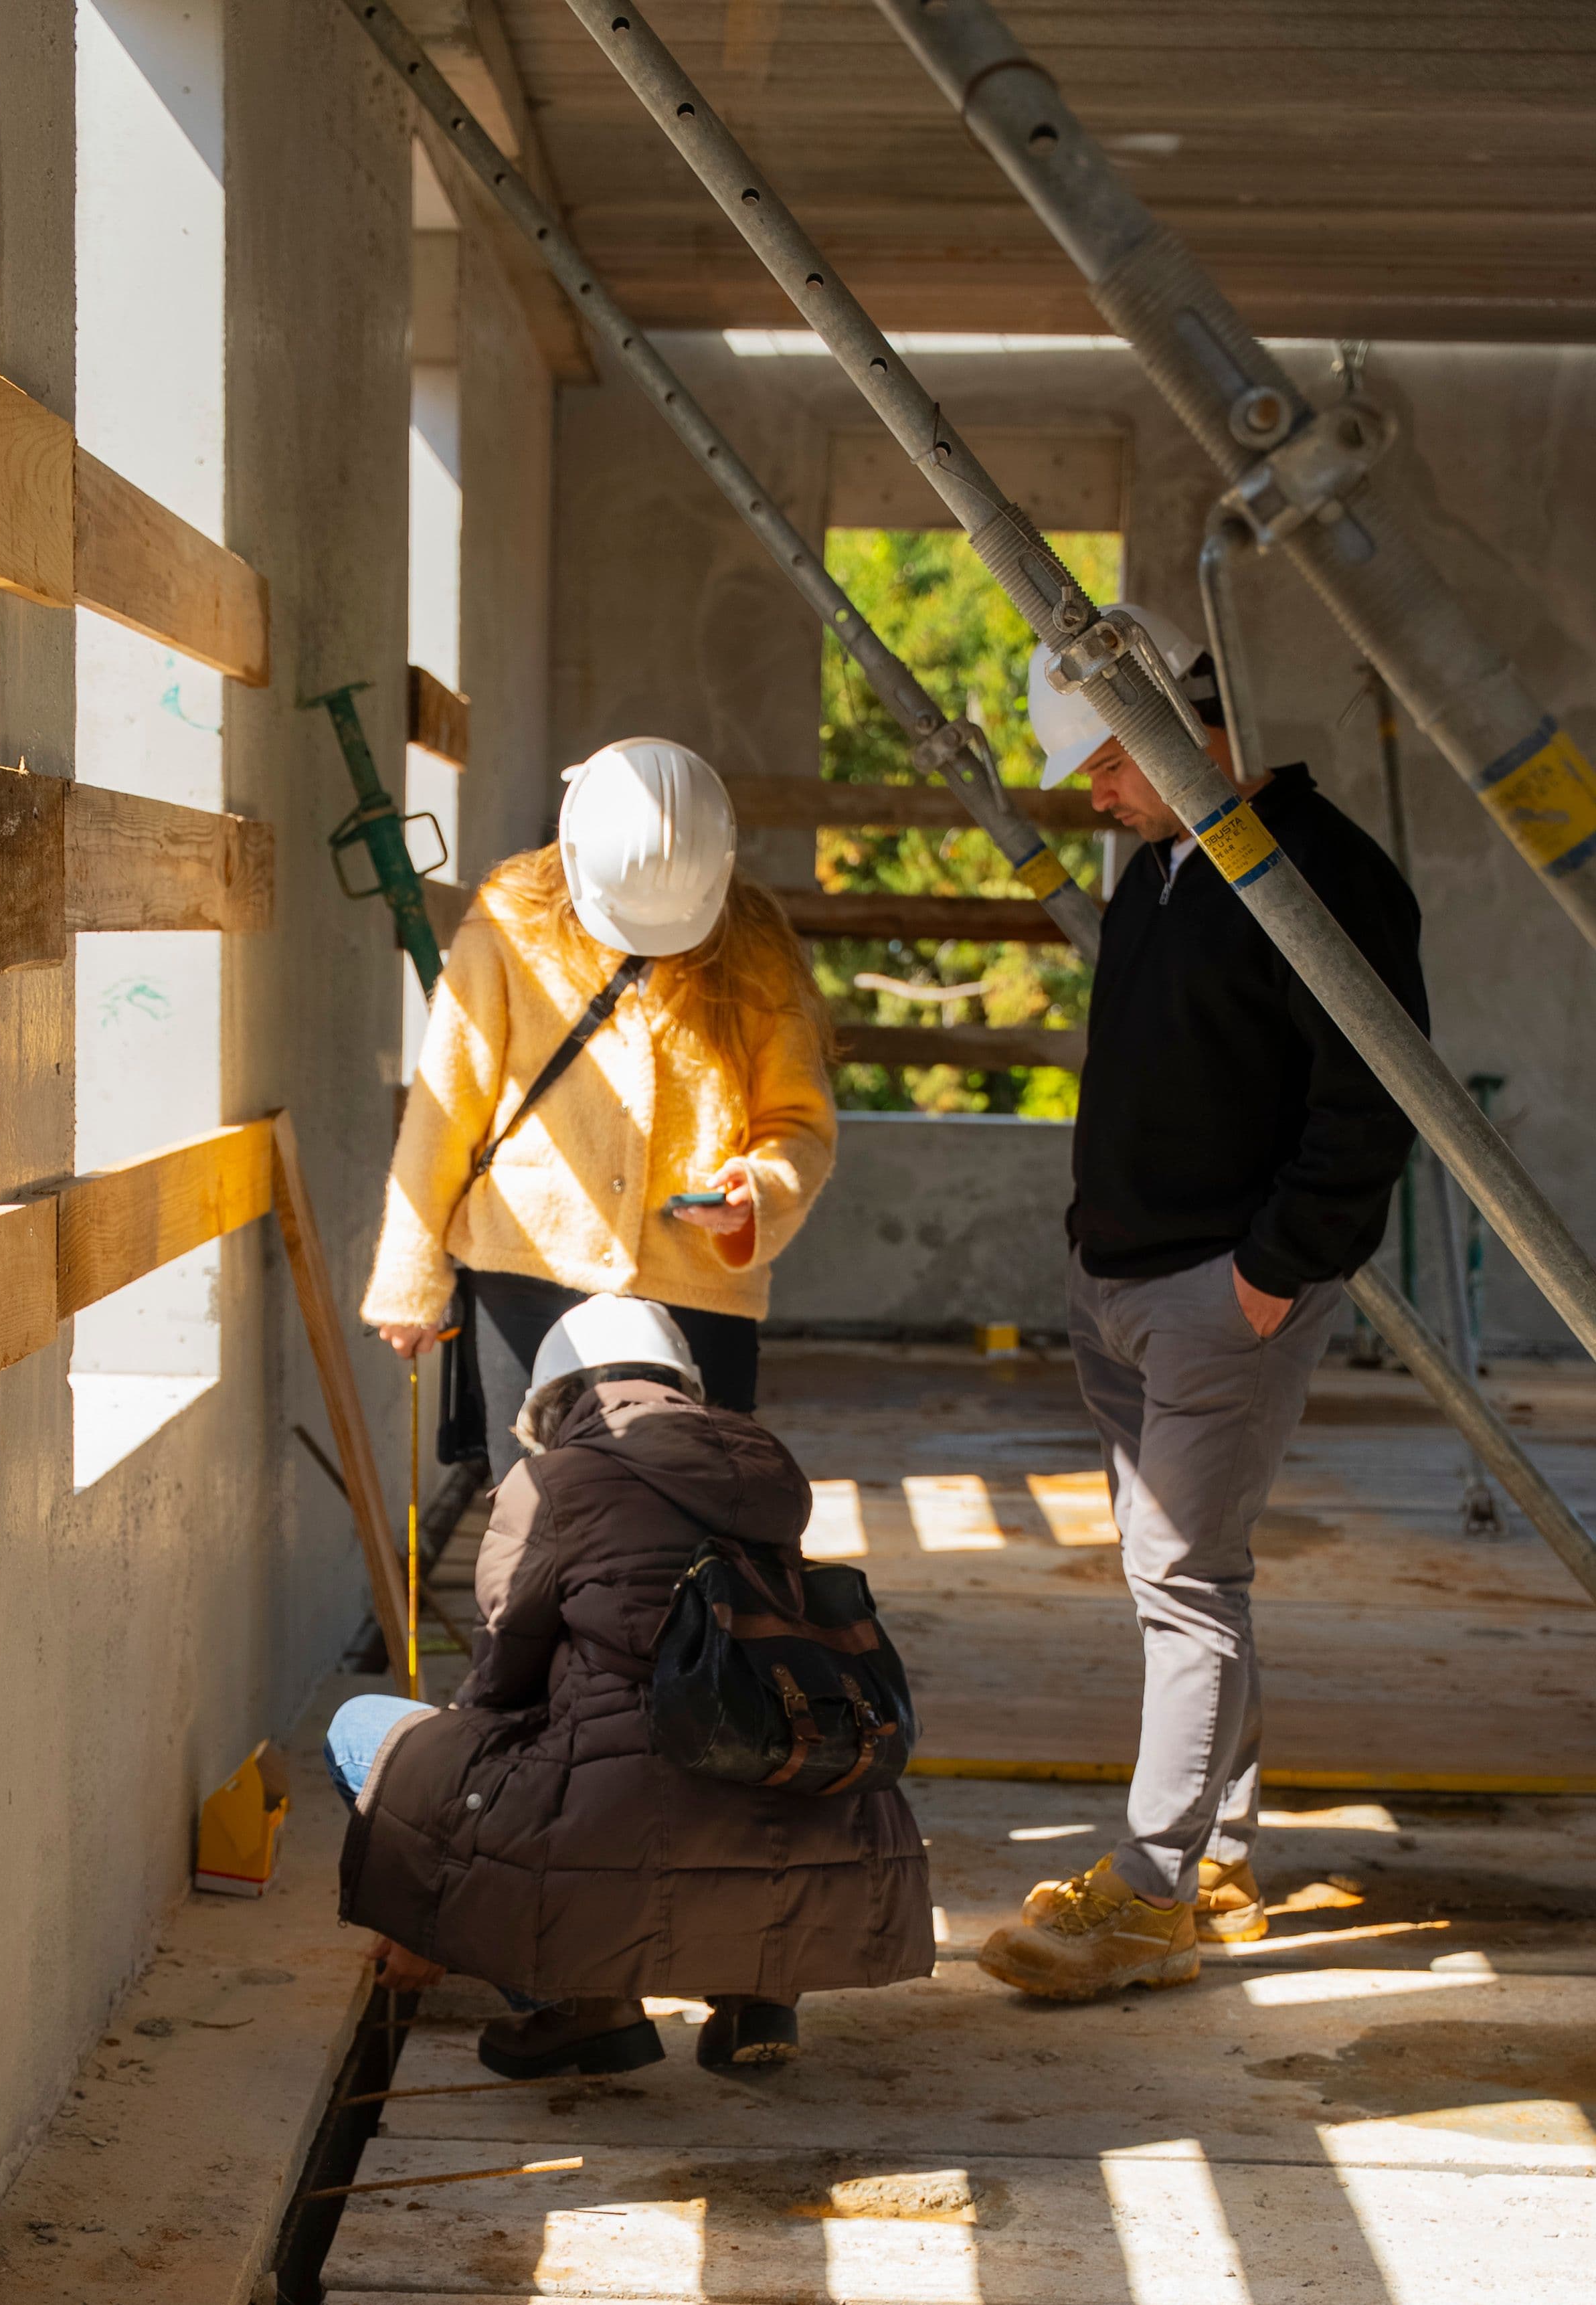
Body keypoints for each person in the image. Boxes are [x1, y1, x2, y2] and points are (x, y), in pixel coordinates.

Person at [977, 608, 1427, 2004]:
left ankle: (1156, 1887)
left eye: (1108, 759)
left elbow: (1373, 1100)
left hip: (1218, 1290)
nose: (1091, 792)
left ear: (1187, 725)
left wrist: (1275, 1268)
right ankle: (1217, 1859)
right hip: (1120, 1280)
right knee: (1186, 1582)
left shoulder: (1325, 875)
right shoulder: (1167, 867)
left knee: (1183, 1581)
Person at [326, 1296, 934, 2078]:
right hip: (803, 1797)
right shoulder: (767, 1471)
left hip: (612, 1822)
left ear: (550, 1403)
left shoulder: (549, 1482)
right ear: (683, 1386)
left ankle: (585, 2006)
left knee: (364, 1729)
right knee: (723, 1758)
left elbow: (502, 1676)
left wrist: (424, 1872)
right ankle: (759, 1990)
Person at [361, 738, 836, 1477]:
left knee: (698, 1520)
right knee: (535, 1518)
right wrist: (411, 1278)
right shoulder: (507, 921)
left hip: (698, 1287)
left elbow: (799, 1123)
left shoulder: (757, 948)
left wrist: (759, 1190)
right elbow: (445, 1106)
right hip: (525, 1273)